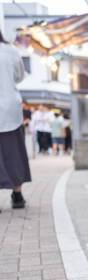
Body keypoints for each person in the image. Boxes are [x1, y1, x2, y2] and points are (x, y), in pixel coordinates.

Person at [0, 29, 31, 210]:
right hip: (10, 109)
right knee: (14, 152)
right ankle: (17, 194)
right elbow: (19, 76)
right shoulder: (10, 50)